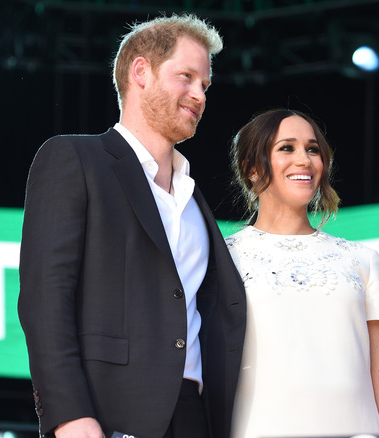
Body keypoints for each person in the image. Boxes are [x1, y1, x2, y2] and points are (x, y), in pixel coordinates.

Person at [17, 13, 247, 438]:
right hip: (108, 413)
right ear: (141, 71)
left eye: (205, 85)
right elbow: (44, 297)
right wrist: (68, 414)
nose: (199, 94)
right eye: (187, 76)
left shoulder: (195, 200)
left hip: (196, 416)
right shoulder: (74, 159)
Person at [225, 108, 379, 437]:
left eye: (313, 149)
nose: (304, 159)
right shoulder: (222, 260)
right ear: (252, 169)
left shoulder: (362, 259)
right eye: (287, 148)